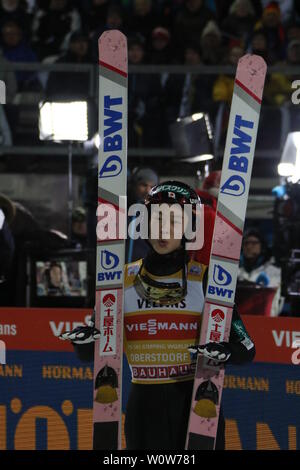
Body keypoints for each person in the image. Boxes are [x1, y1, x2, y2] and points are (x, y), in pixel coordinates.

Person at [61, 180, 255, 450]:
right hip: (144, 413)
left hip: (197, 414)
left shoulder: (207, 279)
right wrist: (83, 342)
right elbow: (89, 353)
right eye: (156, 220)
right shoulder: (120, 281)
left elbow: (247, 348)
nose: (163, 230)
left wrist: (225, 351)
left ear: (190, 228)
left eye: (174, 221)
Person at [238, 228, 283, 316]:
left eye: (254, 243)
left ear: (262, 246)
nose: (249, 246)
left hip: (263, 320)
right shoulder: (236, 269)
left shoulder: (273, 270)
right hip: (239, 319)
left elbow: (274, 302)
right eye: (246, 243)